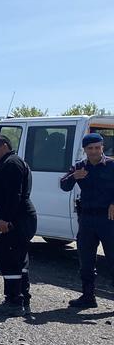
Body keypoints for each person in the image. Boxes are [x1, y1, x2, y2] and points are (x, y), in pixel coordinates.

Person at [0, 135, 37, 316]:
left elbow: (14, 194)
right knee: (18, 259)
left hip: (16, 220)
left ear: (4, 146)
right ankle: (22, 297)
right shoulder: (7, 162)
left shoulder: (12, 164)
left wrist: (5, 219)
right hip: (19, 219)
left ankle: (14, 301)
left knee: (8, 258)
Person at [60, 132, 114, 308]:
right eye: (90, 148)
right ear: (84, 150)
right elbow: (63, 185)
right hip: (87, 219)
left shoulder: (111, 165)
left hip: (108, 219)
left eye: (97, 147)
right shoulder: (79, 167)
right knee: (86, 260)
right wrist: (74, 176)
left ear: (102, 147)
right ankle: (88, 297)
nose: (94, 151)